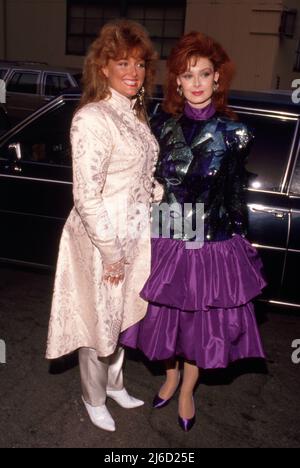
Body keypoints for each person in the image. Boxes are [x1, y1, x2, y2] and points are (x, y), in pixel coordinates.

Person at [120, 32, 266, 432]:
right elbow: (147, 183)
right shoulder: (160, 127)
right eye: (188, 75)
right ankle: (168, 376)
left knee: (201, 326)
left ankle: (186, 389)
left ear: (217, 79)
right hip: (165, 233)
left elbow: (235, 193)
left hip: (208, 241)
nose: (197, 82)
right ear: (178, 83)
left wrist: (240, 239)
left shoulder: (235, 134)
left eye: (205, 73)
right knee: (164, 320)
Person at [46, 20, 161, 432]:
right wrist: (110, 251)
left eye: (141, 63)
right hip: (101, 238)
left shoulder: (135, 116)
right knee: (99, 320)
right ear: (104, 69)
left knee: (121, 316)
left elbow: (136, 173)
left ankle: (113, 385)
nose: (134, 71)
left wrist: (157, 191)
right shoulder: (92, 118)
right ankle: (92, 396)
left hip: (131, 233)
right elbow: (86, 195)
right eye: (123, 62)